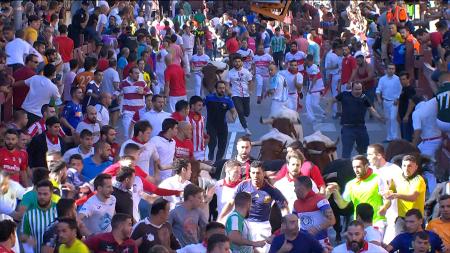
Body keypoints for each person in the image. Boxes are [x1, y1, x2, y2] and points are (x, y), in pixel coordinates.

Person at [219, 161, 288, 252]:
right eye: (253, 173)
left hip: (262, 226)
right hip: (244, 223)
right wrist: (220, 219)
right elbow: (231, 203)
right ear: (250, 173)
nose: (255, 176)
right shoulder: (243, 185)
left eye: (258, 173)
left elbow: (284, 208)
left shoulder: (272, 190)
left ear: (263, 173)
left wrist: (284, 225)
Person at [329, 155, 389, 233]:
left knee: (374, 244)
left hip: (377, 223)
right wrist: (335, 192)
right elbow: (342, 205)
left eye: (358, 167)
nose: (356, 170)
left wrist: (384, 207)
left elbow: (388, 199)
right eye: (354, 167)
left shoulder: (378, 179)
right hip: (358, 225)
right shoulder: (350, 184)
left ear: (366, 166)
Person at [328, 82, 385, 158]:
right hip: (347, 128)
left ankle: (363, 165)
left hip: (361, 128)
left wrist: (379, 117)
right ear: (351, 89)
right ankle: (345, 167)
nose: (358, 91)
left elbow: (371, 109)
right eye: (356, 89)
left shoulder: (364, 97)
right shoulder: (344, 95)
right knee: (346, 152)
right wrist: (328, 109)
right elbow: (332, 100)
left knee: (364, 151)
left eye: (360, 89)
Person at [384, 155, 426, 234]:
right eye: (404, 166)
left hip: (416, 219)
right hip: (401, 218)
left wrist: (396, 195)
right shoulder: (397, 177)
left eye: (409, 166)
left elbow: (412, 197)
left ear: (416, 167)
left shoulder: (418, 180)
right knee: (399, 243)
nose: (406, 169)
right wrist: (388, 190)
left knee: (416, 244)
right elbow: (391, 190)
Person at [292, 176, 335, 245]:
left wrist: (317, 228)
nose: (294, 190)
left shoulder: (320, 200)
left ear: (302, 187)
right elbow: (292, 222)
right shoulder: (296, 203)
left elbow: (332, 220)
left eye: (295, 187)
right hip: (304, 242)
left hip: (321, 242)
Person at [21, 180, 58, 253]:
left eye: (45, 194)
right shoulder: (29, 214)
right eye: (39, 194)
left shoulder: (59, 209)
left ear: (51, 193)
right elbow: (23, 236)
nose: (42, 197)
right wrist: (28, 239)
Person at [205, 81, 237, 161]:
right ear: (216, 89)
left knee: (222, 146)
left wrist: (233, 117)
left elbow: (233, 111)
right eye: (220, 88)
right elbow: (200, 105)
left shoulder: (228, 100)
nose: (222, 90)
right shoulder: (209, 98)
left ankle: (218, 162)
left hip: (222, 126)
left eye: (223, 88)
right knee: (212, 144)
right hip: (211, 125)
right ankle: (210, 160)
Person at [120, 66, 151, 139]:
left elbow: (150, 94)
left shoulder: (142, 83)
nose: (138, 75)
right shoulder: (124, 83)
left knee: (140, 135)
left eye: (138, 73)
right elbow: (117, 92)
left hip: (140, 113)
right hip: (128, 113)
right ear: (130, 74)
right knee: (127, 135)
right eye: (136, 73)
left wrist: (143, 92)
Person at [376, 63, 403, 142]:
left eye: (392, 69)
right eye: (389, 68)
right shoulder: (382, 79)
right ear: (386, 70)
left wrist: (397, 98)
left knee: (393, 118)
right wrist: (378, 98)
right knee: (388, 119)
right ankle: (389, 137)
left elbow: (400, 90)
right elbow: (378, 89)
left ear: (394, 70)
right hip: (385, 101)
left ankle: (395, 137)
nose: (391, 70)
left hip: (394, 102)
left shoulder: (397, 79)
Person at [228, 54, 253, 135]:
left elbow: (250, 82)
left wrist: (251, 90)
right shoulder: (230, 73)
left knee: (247, 113)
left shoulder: (246, 72)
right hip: (235, 94)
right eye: (235, 61)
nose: (237, 63)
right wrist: (228, 91)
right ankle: (246, 129)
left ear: (242, 63)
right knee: (240, 111)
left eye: (239, 61)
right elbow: (227, 84)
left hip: (246, 95)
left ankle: (244, 121)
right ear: (233, 63)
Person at [304, 54, 325, 122]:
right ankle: (312, 117)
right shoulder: (307, 66)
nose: (310, 62)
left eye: (311, 61)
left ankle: (323, 112)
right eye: (308, 61)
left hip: (317, 87)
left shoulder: (314, 67)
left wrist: (310, 89)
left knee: (314, 104)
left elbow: (315, 78)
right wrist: (308, 87)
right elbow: (309, 78)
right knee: (307, 102)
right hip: (312, 86)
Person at [188, 96, 208, 161]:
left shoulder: (202, 118)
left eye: (202, 105)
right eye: (199, 105)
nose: (201, 108)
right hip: (190, 151)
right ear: (192, 106)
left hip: (201, 151)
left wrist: (206, 138)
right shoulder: (186, 118)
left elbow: (201, 132)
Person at [398, 72, 416, 142]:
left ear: (408, 79)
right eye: (401, 80)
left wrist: (406, 115)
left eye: (404, 79)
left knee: (407, 138)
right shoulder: (403, 89)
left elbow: (411, 103)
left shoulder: (410, 89)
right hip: (403, 117)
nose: (402, 81)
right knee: (404, 137)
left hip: (408, 118)